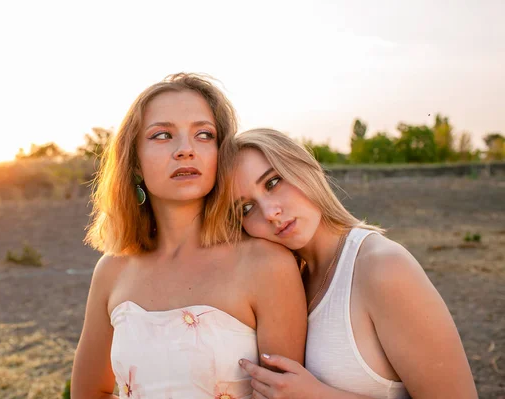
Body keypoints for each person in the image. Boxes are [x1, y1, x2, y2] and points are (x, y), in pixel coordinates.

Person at [71, 76, 307, 398]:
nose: (185, 150)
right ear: (135, 163)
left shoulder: (267, 264)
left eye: (204, 135)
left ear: (220, 154)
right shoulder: (113, 270)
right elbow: (89, 392)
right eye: (163, 135)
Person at [230, 128, 478, 399]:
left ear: (305, 167)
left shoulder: (383, 267)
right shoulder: (284, 283)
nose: (270, 213)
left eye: (273, 182)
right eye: (246, 208)